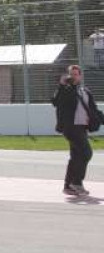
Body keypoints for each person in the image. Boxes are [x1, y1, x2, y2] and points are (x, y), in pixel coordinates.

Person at [52, 65, 101, 196]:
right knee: (86, 153)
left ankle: (68, 186)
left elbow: (93, 110)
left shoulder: (85, 91)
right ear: (67, 75)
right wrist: (61, 85)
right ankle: (77, 183)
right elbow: (56, 102)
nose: (73, 76)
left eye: (76, 74)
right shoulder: (65, 90)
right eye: (71, 74)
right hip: (71, 128)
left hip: (82, 127)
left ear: (80, 76)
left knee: (76, 157)